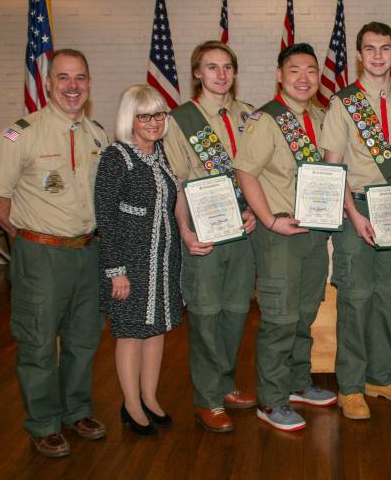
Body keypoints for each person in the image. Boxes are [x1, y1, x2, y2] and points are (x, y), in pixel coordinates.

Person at [0, 49, 109, 457]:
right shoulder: (20, 133)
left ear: (89, 84)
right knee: (37, 342)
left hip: (88, 253)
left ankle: (76, 411)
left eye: (80, 78)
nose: (72, 86)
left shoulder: (98, 135)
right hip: (40, 254)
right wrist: (20, 235)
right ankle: (43, 422)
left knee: (83, 339)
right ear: (49, 83)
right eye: (63, 78)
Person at [321, 22, 391, 420]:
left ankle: (380, 376)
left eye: (385, 48)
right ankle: (350, 384)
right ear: (359, 55)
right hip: (357, 211)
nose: (378, 55)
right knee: (356, 298)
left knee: (388, 297)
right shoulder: (343, 103)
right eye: (370, 48)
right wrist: (352, 214)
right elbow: (334, 166)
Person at [235, 43, 337, 432]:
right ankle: (272, 399)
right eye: (295, 70)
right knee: (279, 316)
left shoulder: (320, 116)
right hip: (280, 233)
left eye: (311, 71)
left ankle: (297, 382)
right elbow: (246, 173)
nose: (304, 78)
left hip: (313, 232)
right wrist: (269, 220)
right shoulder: (267, 119)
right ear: (280, 75)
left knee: (306, 311)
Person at [163, 41, 257, 433]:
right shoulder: (181, 120)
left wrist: (256, 209)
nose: (221, 74)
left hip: (244, 229)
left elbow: (258, 174)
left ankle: (225, 383)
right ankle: (206, 398)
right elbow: (179, 184)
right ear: (197, 73)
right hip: (203, 229)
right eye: (212, 67)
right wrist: (184, 230)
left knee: (236, 312)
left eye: (227, 67)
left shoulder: (250, 116)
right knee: (205, 313)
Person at [94, 85, 183, 435]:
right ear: (130, 118)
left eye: (159, 114)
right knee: (130, 333)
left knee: (156, 330)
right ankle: (131, 405)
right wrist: (116, 270)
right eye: (144, 115)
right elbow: (106, 215)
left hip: (162, 260)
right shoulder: (117, 156)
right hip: (129, 263)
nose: (153, 122)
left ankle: (150, 397)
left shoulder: (161, 153)